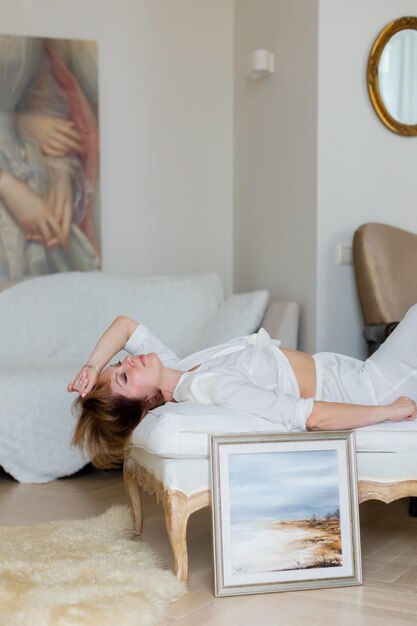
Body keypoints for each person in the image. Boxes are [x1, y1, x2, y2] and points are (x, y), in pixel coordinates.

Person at [68, 306, 417, 468]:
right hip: (367, 389)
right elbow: (307, 417)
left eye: (119, 364)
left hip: (355, 371)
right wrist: (388, 410)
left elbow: (125, 326)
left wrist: (93, 367)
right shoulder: (206, 387)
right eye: (124, 378)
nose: (128, 361)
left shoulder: (176, 368)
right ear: (145, 404)